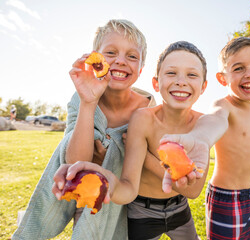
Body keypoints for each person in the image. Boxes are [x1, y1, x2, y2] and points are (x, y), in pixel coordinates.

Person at [12, 19, 155, 240]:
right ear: (94, 59)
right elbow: (72, 161)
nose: (120, 61)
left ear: (141, 68)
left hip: (123, 202)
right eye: (110, 52)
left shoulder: (149, 108)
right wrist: (88, 102)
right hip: (80, 187)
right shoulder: (80, 98)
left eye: (132, 56)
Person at [53, 41, 210, 240]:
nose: (181, 81)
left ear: (203, 86)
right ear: (156, 83)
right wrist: (106, 178)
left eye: (192, 75)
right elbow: (127, 188)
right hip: (142, 212)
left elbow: (193, 190)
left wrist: (145, 156)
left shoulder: (203, 124)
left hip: (179, 208)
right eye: (171, 73)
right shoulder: (142, 119)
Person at [160, 37, 250, 239]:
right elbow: (214, 120)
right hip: (228, 199)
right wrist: (201, 139)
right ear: (223, 78)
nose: (249, 74)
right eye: (239, 68)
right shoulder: (224, 106)